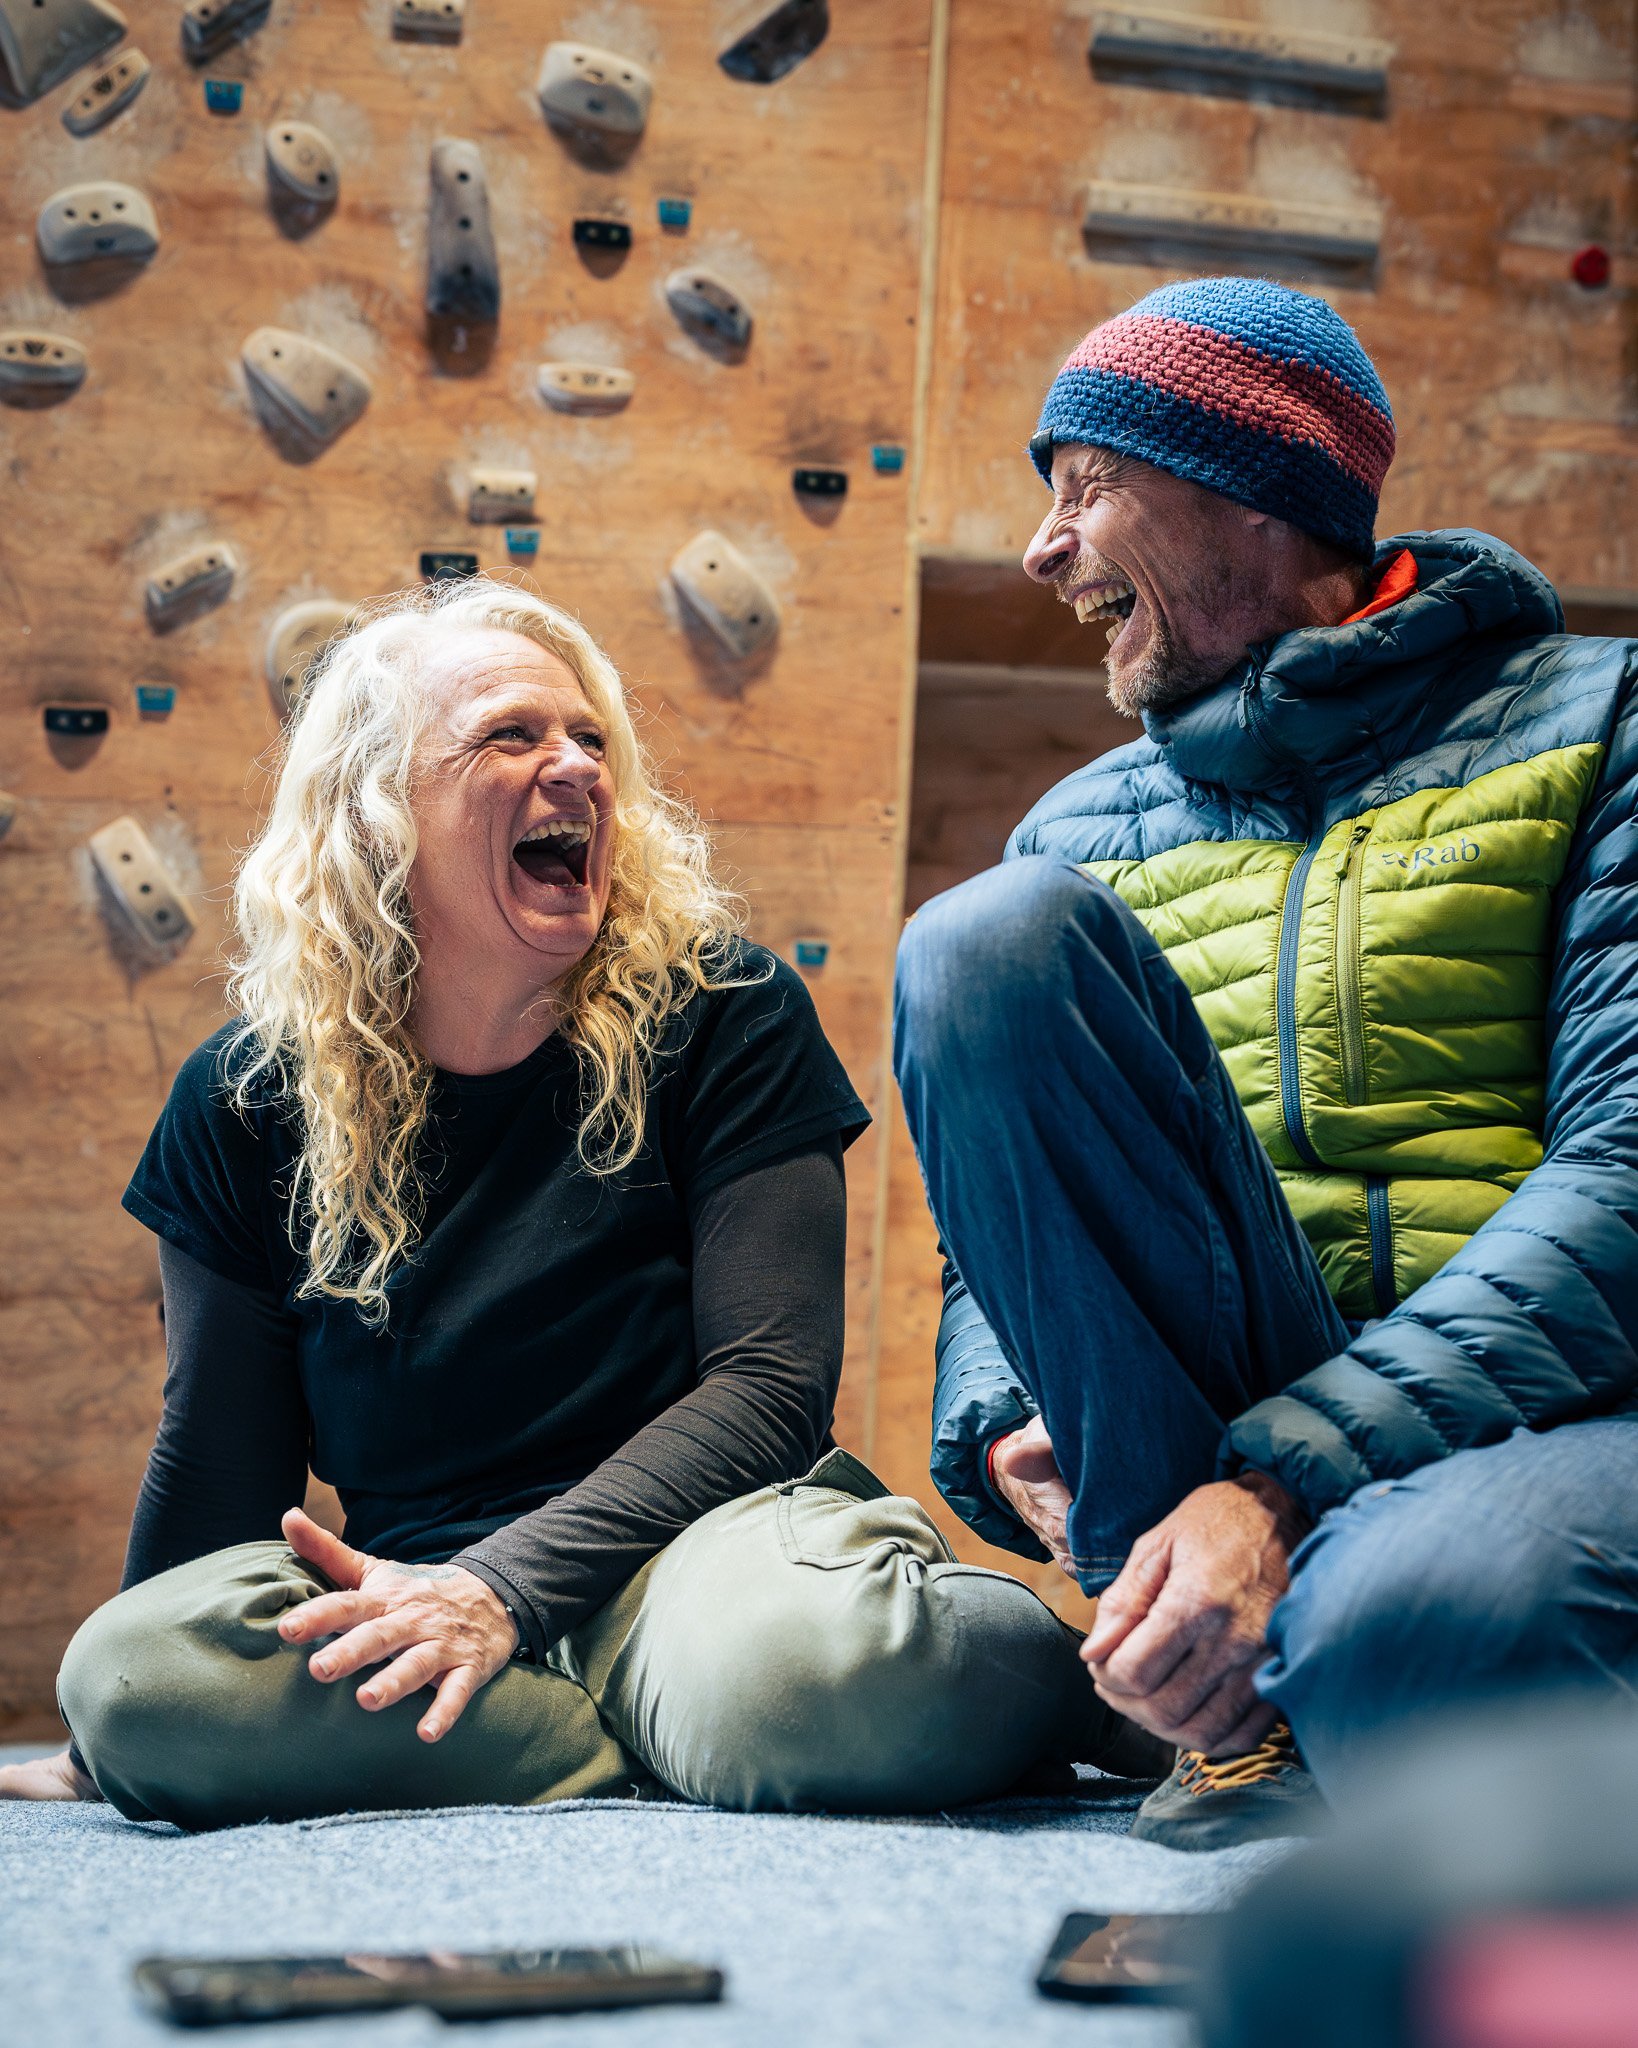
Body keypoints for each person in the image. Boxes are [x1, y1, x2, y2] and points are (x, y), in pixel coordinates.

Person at [3, 578, 1147, 1831]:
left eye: (591, 738)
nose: (580, 768)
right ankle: (660, 1739)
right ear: (378, 809)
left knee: (821, 1674)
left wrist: (503, 1590)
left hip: (701, 1557)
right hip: (416, 1588)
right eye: (511, 734)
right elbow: (221, 1453)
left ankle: (1038, 1685)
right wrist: (121, 1736)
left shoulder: (727, 1011)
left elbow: (770, 1388)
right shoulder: (244, 1095)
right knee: (129, 1677)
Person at [893, 276, 1638, 1851]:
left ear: (1252, 497)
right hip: (1224, 1456)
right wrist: (1009, 1408)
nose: (1042, 549)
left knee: (1417, 1624)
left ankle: (1291, 1664)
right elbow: (993, 1248)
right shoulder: (1076, 833)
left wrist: (1274, 1486)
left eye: (1087, 487)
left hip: (1548, 1416)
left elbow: (1625, 1177)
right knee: (979, 943)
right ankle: (1223, 1692)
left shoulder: (1603, 721)